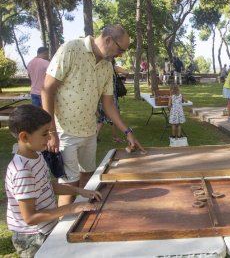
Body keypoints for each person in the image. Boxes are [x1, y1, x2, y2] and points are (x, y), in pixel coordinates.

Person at [41, 24, 145, 208]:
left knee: (87, 179)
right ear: (107, 40)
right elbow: (47, 90)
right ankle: (61, 231)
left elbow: (108, 104)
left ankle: (79, 220)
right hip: (65, 132)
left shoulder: (107, 67)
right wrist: (51, 132)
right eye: (120, 49)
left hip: (89, 132)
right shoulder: (71, 49)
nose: (120, 55)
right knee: (69, 185)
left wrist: (127, 132)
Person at [6, 104, 102, 258]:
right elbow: (30, 218)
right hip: (32, 236)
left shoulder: (36, 156)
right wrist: (72, 208)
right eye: (44, 134)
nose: (49, 138)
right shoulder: (22, 172)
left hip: (46, 227)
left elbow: (46, 185)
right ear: (24, 137)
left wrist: (79, 191)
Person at [96, 60, 127, 143]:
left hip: (101, 97)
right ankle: (114, 137)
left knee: (101, 118)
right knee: (114, 117)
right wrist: (119, 74)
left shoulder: (99, 69)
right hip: (111, 97)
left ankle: (95, 136)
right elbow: (126, 72)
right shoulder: (113, 68)